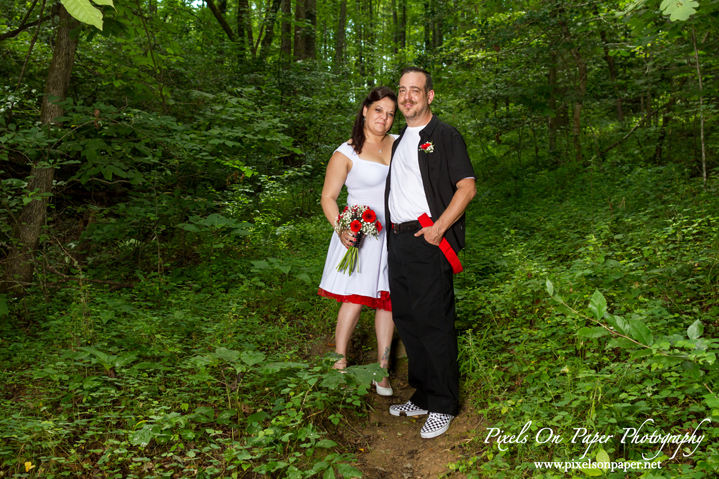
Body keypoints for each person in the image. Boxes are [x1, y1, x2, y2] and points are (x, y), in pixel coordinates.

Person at [385, 67, 476, 438]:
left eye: (415, 91)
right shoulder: (398, 141)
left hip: (428, 240)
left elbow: (466, 188)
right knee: (408, 320)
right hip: (398, 242)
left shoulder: (444, 135)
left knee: (434, 322)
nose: (408, 97)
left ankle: (443, 404)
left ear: (430, 96)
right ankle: (423, 395)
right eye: (403, 91)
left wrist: (439, 230)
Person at [318, 86, 398, 396]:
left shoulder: (399, 144)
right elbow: (328, 197)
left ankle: (382, 370)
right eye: (379, 110)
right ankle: (339, 362)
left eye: (390, 113)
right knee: (355, 298)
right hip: (360, 232)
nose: (384, 118)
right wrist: (341, 227)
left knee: (387, 300)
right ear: (365, 110)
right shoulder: (346, 152)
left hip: (393, 232)